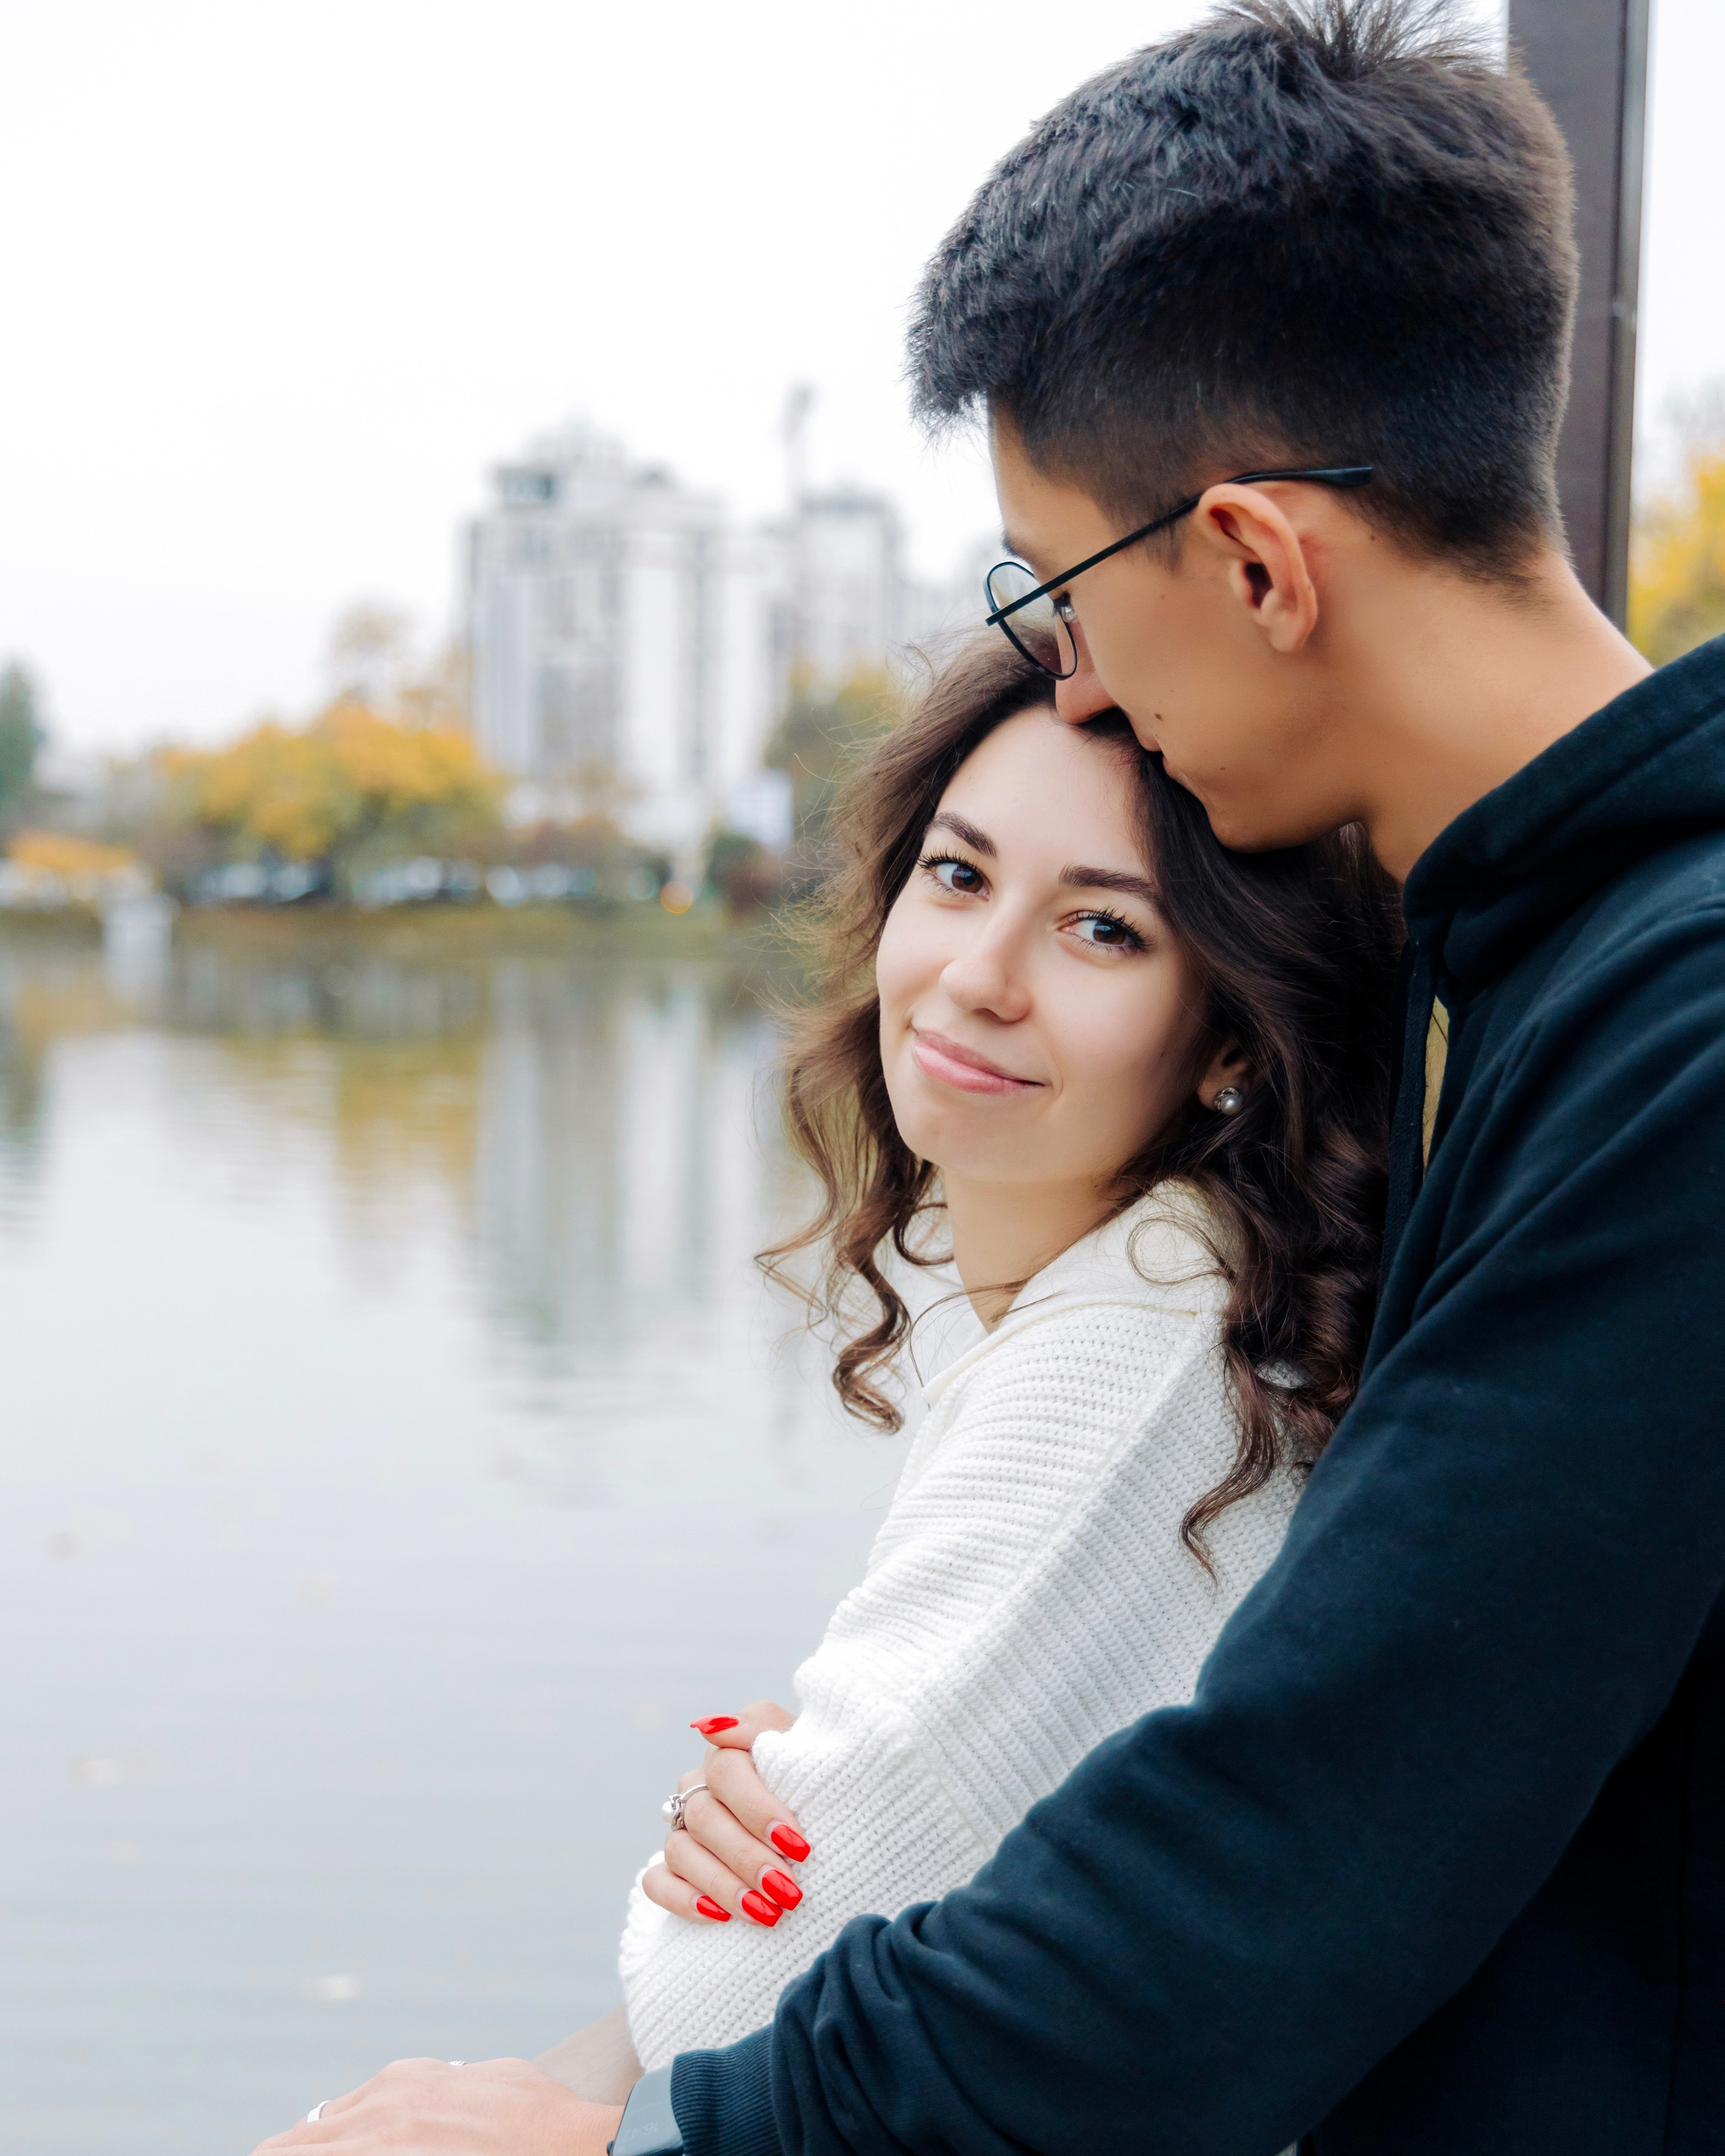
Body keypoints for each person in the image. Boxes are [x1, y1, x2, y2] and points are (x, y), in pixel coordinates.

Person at [256, 1, 1725, 2150]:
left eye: (1065, 582)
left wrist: (634, 2133)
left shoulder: (1674, 1036)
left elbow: (1301, 1834)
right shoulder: (1488, 973)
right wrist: (883, 1790)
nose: (1073, 667)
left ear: (1253, 557)